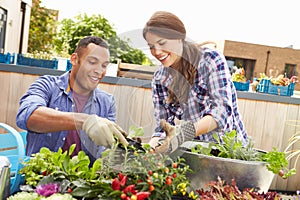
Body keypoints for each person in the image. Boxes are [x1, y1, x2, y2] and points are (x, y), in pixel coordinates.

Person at [142, 11, 248, 153]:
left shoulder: (210, 60)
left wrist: (183, 134)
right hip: (197, 156)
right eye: (151, 46)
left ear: (179, 38)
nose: (157, 51)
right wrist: (148, 150)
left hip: (230, 153)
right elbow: (163, 128)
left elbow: (221, 112)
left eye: (162, 43)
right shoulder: (160, 79)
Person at [16, 36, 128, 162]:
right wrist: (85, 121)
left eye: (104, 66)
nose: (99, 71)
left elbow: (104, 152)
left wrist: (121, 151)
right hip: (42, 177)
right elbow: (27, 116)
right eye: (92, 62)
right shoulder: (47, 85)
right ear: (74, 59)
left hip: (84, 180)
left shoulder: (107, 102)